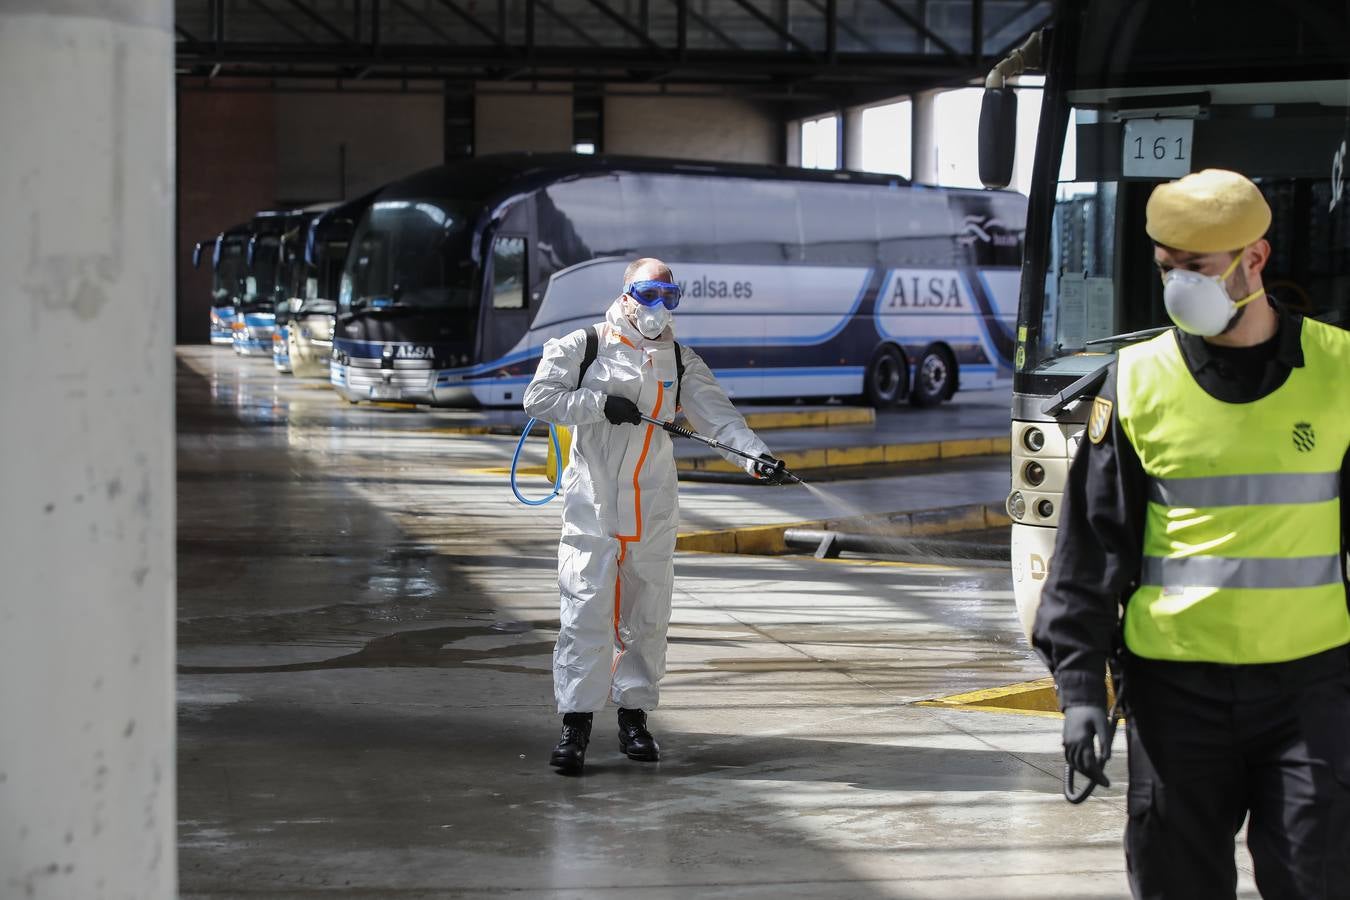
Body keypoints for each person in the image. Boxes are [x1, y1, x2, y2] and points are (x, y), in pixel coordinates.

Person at [1033, 168, 1350, 899]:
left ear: (1255, 259)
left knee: (1318, 879)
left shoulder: (1338, 370)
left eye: (1198, 268)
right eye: (1167, 269)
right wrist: (1080, 684)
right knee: (1176, 882)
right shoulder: (1137, 381)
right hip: (1175, 694)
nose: (1179, 287)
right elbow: (1089, 544)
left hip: (1311, 691)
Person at [523, 257, 788, 775]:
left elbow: (720, 419)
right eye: (648, 294)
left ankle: (634, 720)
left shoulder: (681, 362)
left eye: (670, 296)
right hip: (592, 510)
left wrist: (756, 459)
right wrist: (600, 404)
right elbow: (539, 398)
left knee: (647, 619)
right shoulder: (584, 347)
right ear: (626, 294)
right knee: (585, 614)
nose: (658, 307)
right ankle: (575, 727)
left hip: (652, 509)